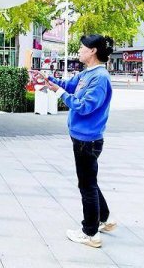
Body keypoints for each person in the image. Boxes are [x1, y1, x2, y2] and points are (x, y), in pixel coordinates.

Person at [33, 34, 117, 248]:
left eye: (82, 47)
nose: (79, 50)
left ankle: (90, 233)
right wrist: (48, 80)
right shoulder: (87, 73)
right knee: (90, 180)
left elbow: (84, 106)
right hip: (81, 137)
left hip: (87, 140)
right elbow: (68, 85)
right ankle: (104, 219)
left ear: (93, 51)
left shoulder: (100, 78)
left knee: (86, 185)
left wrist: (59, 92)